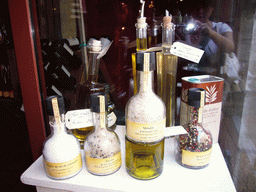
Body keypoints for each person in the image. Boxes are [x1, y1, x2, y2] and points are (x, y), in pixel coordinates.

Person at [185, 0, 235, 74]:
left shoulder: (221, 27)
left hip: (214, 80)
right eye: (197, 7)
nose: (201, 11)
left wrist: (210, 33)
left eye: (205, 7)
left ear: (212, 8)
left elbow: (230, 48)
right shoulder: (186, 31)